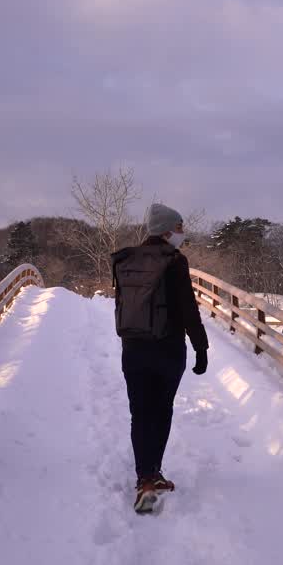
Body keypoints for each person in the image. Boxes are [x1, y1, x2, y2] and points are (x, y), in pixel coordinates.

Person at [111, 203, 209, 513]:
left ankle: (145, 479)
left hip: (133, 348)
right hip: (167, 349)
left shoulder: (125, 259)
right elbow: (187, 309)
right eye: (179, 228)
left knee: (140, 412)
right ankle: (154, 473)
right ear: (166, 231)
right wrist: (201, 346)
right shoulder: (174, 261)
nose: (182, 233)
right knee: (161, 410)